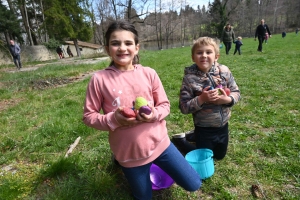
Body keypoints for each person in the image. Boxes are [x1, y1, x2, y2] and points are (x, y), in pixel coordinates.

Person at [82, 20, 201, 200]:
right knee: (143, 198)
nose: (122, 48)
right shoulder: (99, 79)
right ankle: (125, 166)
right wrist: (113, 119)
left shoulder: (149, 73)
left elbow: (165, 105)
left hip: (160, 144)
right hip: (129, 155)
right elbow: (88, 116)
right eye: (115, 43)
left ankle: (156, 163)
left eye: (128, 43)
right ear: (107, 49)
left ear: (137, 48)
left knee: (194, 184)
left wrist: (154, 115)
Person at [172, 37, 241, 160]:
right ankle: (181, 141)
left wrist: (227, 100)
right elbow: (184, 107)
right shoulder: (190, 79)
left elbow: (236, 92)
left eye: (208, 52)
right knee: (204, 158)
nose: (204, 55)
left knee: (219, 156)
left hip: (223, 125)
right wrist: (201, 99)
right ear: (193, 57)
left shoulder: (224, 71)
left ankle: (192, 136)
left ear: (216, 56)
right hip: (204, 128)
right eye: (199, 52)